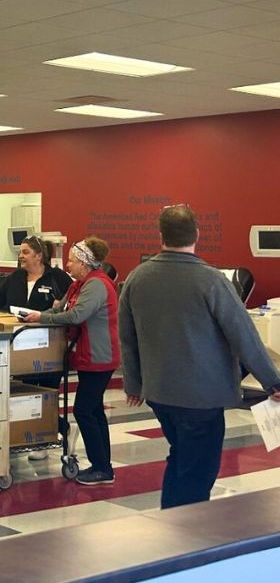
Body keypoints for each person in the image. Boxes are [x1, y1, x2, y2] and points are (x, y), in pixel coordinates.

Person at [120, 205, 280, 509]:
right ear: (196, 234)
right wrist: (273, 382)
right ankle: (185, 535)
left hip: (159, 393)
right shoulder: (211, 280)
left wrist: (133, 384)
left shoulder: (137, 278)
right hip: (201, 397)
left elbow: (127, 338)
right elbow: (244, 337)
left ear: (160, 235)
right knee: (199, 470)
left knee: (181, 455)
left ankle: (171, 522)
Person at [22, 235, 119, 487]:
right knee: (94, 409)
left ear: (85, 264)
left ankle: (102, 467)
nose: (68, 265)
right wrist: (35, 315)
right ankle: (103, 466)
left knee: (84, 410)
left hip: (100, 356)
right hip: (88, 355)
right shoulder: (79, 285)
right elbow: (59, 309)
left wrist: (42, 320)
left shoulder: (97, 285)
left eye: (73, 261)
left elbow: (76, 315)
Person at [0, 235, 70, 314]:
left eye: (25, 252)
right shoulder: (15, 277)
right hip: (16, 329)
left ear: (39, 256)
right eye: (20, 252)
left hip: (45, 328)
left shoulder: (57, 276)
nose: (20, 256)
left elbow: (75, 301)